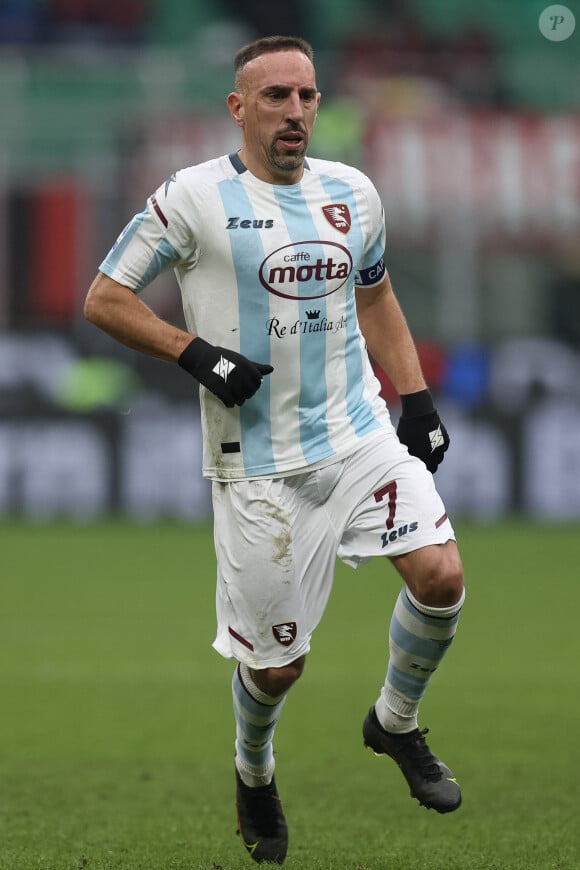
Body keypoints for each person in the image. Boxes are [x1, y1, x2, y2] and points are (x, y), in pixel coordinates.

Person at [84, 34, 465, 865]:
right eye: (275, 98)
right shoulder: (190, 198)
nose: (295, 112)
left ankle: (394, 725)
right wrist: (196, 353)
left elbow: (378, 295)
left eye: (307, 96)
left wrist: (419, 399)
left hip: (358, 435)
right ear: (238, 108)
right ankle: (252, 771)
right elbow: (105, 298)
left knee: (441, 577)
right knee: (277, 671)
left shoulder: (352, 193)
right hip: (258, 467)